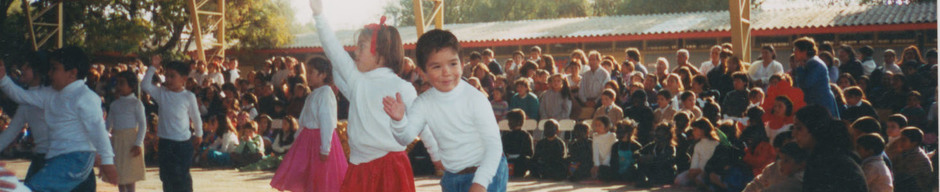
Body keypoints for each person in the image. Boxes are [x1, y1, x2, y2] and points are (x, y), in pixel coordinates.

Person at [309, 0, 439, 190]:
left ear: (380, 52)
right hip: (358, 167)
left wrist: (436, 155)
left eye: (361, 46)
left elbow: (422, 125)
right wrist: (319, 16)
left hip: (391, 168)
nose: (356, 51)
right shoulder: (357, 80)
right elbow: (334, 51)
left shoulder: (402, 88)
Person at [382, 29, 507, 192]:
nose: (446, 72)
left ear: (462, 64)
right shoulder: (423, 103)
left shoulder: (475, 99)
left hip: (488, 170)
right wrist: (398, 121)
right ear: (422, 72)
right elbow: (404, 138)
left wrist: (480, 184)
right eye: (436, 66)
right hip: (452, 176)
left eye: (452, 64)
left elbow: (494, 146)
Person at [0, 47, 118, 191]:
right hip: (54, 159)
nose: (50, 73)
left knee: (33, 188)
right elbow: (21, 96)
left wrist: (107, 161)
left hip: (76, 158)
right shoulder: (50, 95)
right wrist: (3, 79)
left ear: (72, 73)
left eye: (54, 69)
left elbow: (98, 129)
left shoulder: (85, 97)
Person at [270, 57, 348, 192]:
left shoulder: (325, 93)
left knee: (321, 177)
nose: (308, 76)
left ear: (323, 74)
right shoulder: (313, 94)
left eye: (311, 72)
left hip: (318, 140)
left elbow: (327, 122)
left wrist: (325, 148)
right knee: (306, 177)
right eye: (308, 72)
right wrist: (298, 139)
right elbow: (303, 120)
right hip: (307, 141)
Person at [143, 55, 203, 192]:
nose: (168, 79)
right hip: (165, 143)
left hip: (183, 143)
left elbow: (196, 117)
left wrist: (199, 134)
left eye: (172, 76)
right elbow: (145, 85)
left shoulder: (188, 96)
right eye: (166, 76)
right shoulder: (162, 93)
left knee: (182, 177)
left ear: (183, 79)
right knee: (166, 177)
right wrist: (152, 67)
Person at [0, 51, 51, 183]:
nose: (22, 68)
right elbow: (11, 131)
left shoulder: (47, 95)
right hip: (40, 158)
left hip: (54, 159)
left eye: (27, 66)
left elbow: (19, 95)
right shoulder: (27, 100)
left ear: (38, 71)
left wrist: (3, 79)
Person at [791, 105, 867, 192]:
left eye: (799, 128)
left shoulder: (827, 162)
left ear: (814, 129)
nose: (794, 134)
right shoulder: (832, 156)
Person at [107, 71, 148, 192]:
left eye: (122, 83)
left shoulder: (136, 103)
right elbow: (108, 124)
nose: (118, 86)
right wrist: (105, 140)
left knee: (130, 174)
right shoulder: (114, 104)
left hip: (131, 141)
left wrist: (138, 143)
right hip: (118, 141)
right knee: (120, 173)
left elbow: (142, 124)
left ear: (132, 86)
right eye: (117, 83)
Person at [792, 37, 841, 118]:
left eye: (796, 49)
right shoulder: (809, 63)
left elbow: (806, 84)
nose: (794, 52)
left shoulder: (814, 63)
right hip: (816, 102)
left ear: (804, 51)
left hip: (822, 102)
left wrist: (800, 69)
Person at [674, 119, 720, 188]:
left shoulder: (716, 144)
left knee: (699, 179)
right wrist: (693, 171)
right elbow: (694, 163)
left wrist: (701, 170)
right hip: (697, 171)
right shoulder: (698, 145)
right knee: (679, 180)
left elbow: (715, 162)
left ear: (703, 130)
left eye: (695, 130)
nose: (693, 132)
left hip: (709, 172)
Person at [892, 127, 936, 192]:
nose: (900, 142)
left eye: (904, 140)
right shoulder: (905, 152)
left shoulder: (917, 157)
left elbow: (902, 175)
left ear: (914, 143)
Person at [502, 109, 533, 178]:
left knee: (527, 160)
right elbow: (503, 150)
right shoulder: (506, 135)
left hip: (520, 161)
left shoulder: (525, 135)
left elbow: (529, 153)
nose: (508, 123)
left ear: (519, 122)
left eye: (510, 121)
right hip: (509, 161)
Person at [590, 116, 617, 181]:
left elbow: (610, 152)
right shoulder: (595, 136)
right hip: (599, 162)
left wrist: (604, 165)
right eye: (596, 125)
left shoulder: (612, 136)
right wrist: (596, 164)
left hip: (609, 162)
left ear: (606, 126)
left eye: (599, 125)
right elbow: (595, 151)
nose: (597, 127)